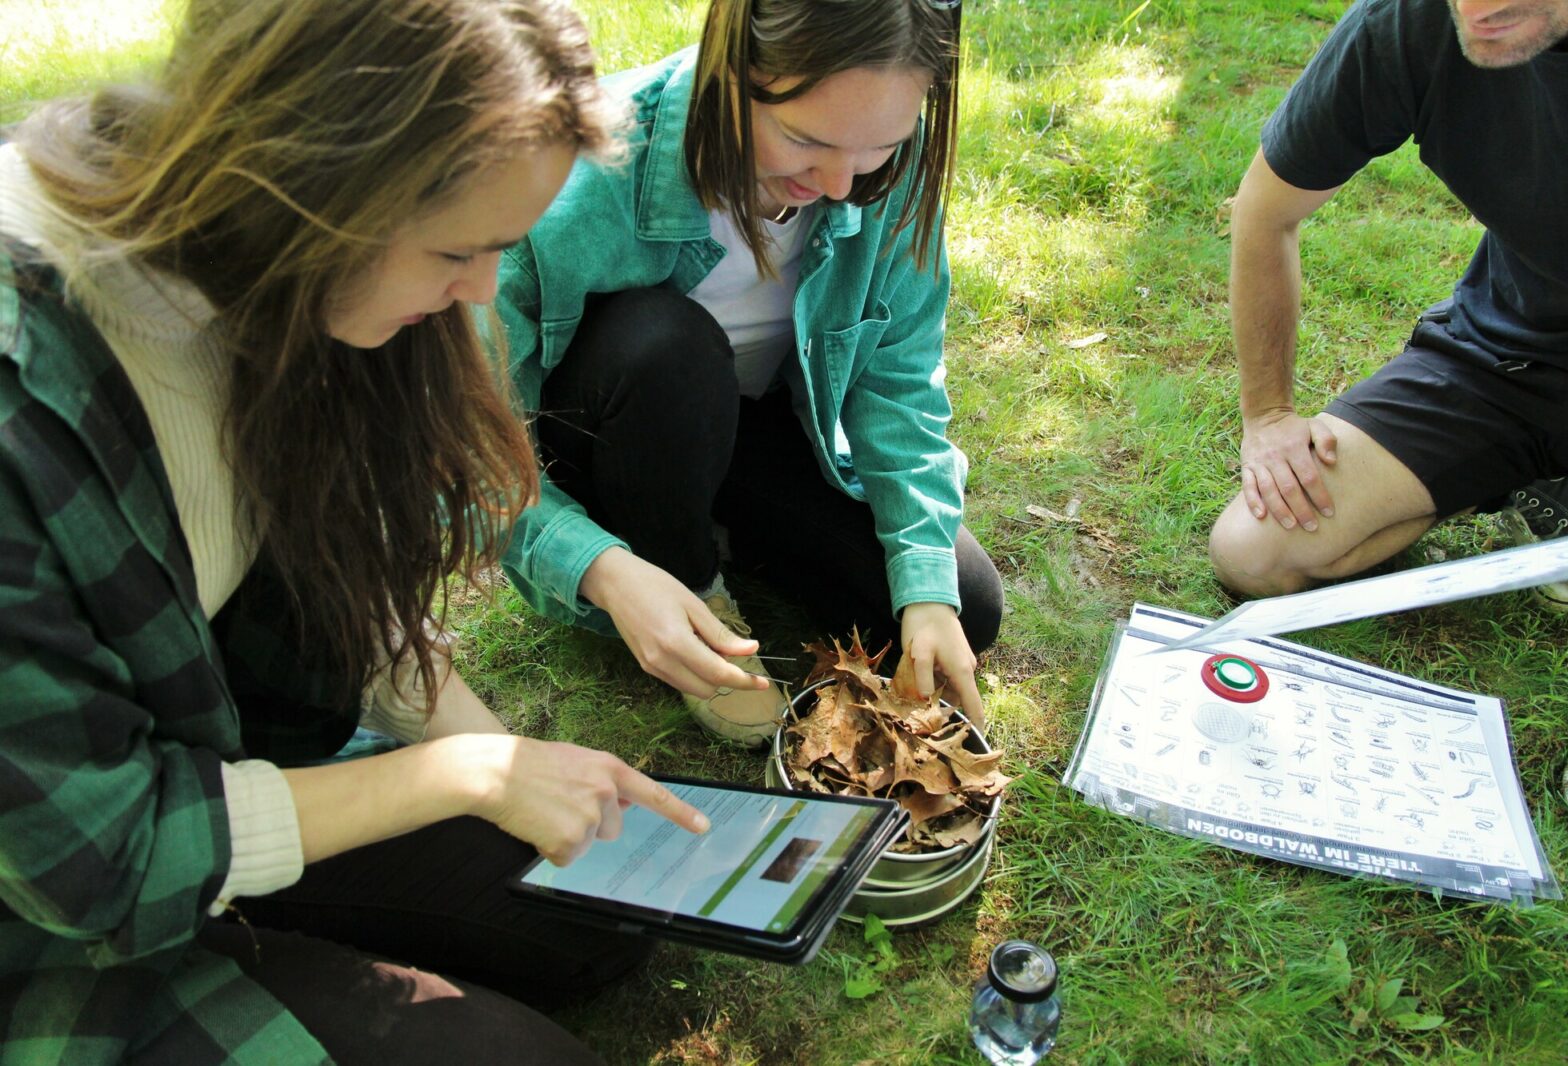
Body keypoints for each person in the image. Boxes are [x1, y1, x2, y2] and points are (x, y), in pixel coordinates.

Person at [0, 0, 710, 1062]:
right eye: (457, 253)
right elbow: (95, 859)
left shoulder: (285, 268)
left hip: (208, 765)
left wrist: (494, 750)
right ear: (314, 181)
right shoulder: (26, 395)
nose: (482, 293)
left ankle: (263, 935)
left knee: (597, 916)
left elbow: (334, 582)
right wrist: (463, 777)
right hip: (53, 901)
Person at [496, 0, 1004, 746]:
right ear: (731, 71)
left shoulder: (881, 156)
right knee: (670, 347)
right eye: (805, 140)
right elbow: (459, 442)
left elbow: (898, 377)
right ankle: (685, 580)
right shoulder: (583, 175)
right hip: (617, 419)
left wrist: (924, 580)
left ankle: (725, 525)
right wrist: (597, 566)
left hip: (754, 422)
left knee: (965, 604)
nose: (838, 184)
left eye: (877, 149)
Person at [1207, 0, 1568, 823]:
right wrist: (1270, 414)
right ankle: (1558, 484)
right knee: (1256, 550)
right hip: (1508, 361)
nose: (1481, 6)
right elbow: (1266, 210)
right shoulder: (1412, 22)